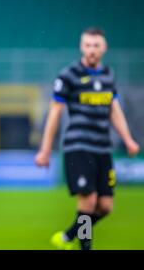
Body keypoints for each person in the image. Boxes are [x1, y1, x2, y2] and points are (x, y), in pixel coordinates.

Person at [35, 27, 140, 250]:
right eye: (88, 45)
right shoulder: (69, 74)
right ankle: (85, 247)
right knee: (89, 200)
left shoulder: (108, 74)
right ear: (82, 47)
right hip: (78, 146)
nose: (92, 50)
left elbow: (114, 109)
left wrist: (128, 139)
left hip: (103, 148)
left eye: (96, 45)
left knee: (105, 206)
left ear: (104, 48)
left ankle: (68, 236)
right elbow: (55, 112)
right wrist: (45, 149)